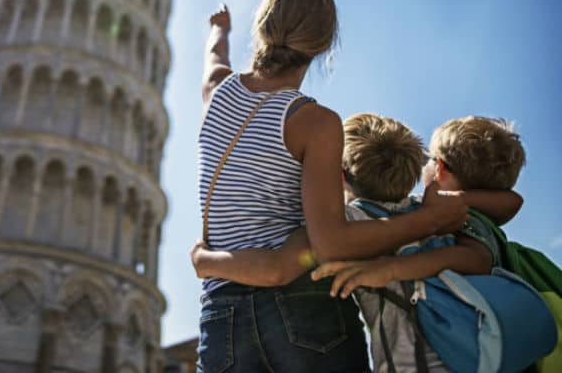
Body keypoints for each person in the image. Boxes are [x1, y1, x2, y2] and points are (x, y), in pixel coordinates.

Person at [195, 0, 468, 373]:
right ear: (323, 47)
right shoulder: (314, 122)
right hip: (301, 310)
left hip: (220, 319)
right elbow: (331, 242)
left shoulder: (217, 92)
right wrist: (428, 220)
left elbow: (215, 56)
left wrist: (219, 27)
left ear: (263, 25)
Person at [194, 112, 522, 372]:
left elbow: (277, 269)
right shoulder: (440, 214)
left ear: (338, 175)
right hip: (476, 356)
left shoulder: (342, 229)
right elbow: (511, 201)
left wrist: (204, 260)